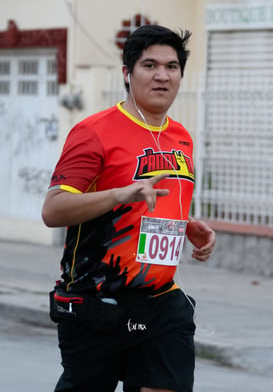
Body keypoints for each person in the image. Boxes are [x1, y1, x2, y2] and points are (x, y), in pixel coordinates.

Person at [42, 24, 215, 392]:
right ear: (127, 73)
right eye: (149, 65)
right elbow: (53, 210)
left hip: (161, 301)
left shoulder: (180, 136)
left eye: (171, 66)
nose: (162, 76)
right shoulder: (95, 132)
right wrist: (118, 195)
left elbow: (152, 200)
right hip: (97, 301)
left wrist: (186, 224)